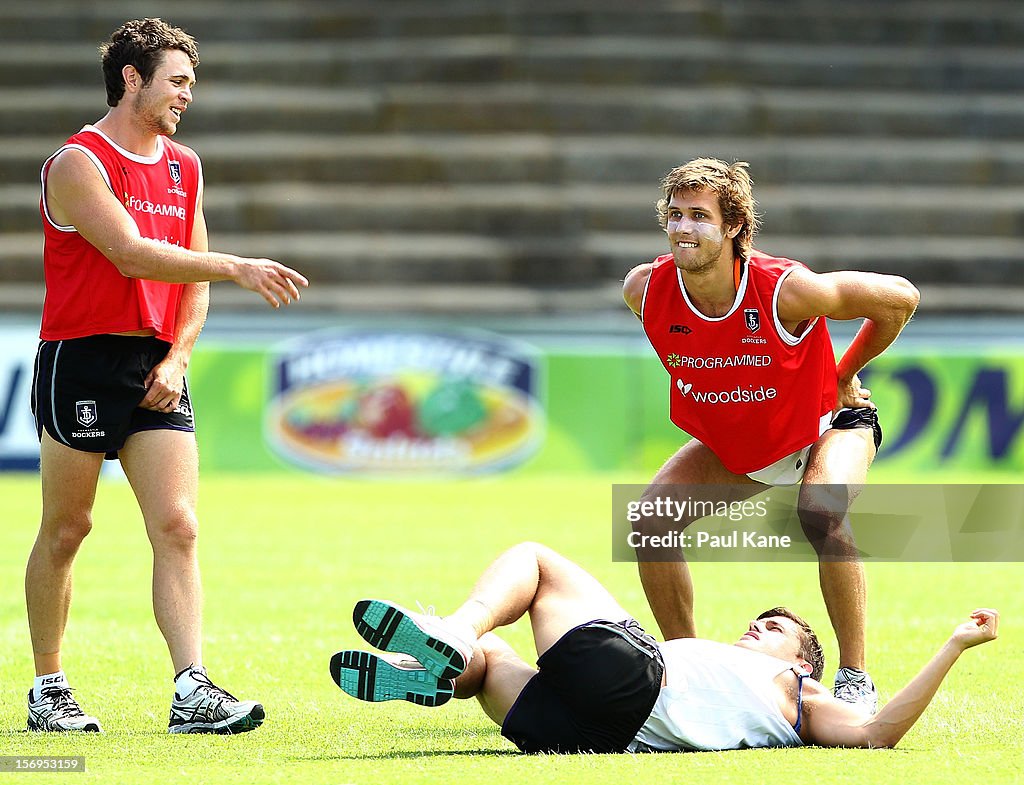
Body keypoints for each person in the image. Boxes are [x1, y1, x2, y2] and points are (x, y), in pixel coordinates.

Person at [25, 18, 308, 734]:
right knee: (67, 528)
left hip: (157, 362)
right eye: (177, 81)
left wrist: (179, 356)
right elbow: (130, 253)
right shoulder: (77, 162)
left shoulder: (187, 166)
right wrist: (239, 266)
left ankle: (192, 689)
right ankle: (48, 688)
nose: (187, 96)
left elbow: (192, 281)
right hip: (81, 359)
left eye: (190, 83)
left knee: (179, 525)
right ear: (132, 79)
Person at [621, 158, 921, 713]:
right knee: (650, 520)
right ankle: (686, 669)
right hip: (749, 446)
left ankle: (855, 679)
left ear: (734, 226)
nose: (683, 228)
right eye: (675, 215)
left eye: (699, 217)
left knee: (820, 510)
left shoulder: (787, 289)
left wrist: (842, 373)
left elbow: (900, 297)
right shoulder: (645, 289)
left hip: (827, 425)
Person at [330, 542, 998, 753]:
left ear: (800, 661)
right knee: (491, 665)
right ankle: (429, 667)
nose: (758, 626)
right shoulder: (741, 677)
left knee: (535, 561)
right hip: (589, 734)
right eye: (759, 620)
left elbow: (879, 732)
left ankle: (450, 627)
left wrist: (954, 644)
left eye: (776, 628)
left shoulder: (802, 694)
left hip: (636, 682)